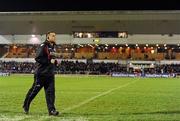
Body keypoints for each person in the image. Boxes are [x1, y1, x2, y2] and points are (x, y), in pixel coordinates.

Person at [23, 31, 59, 116]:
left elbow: (51, 59)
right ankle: (26, 105)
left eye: (55, 36)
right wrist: (49, 61)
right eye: (52, 36)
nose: (54, 37)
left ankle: (51, 110)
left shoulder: (53, 47)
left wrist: (55, 62)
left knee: (51, 93)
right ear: (48, 37)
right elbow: (38, 58)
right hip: (41, 74)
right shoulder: (43, 46)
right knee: (34, 91)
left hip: (50, 74)